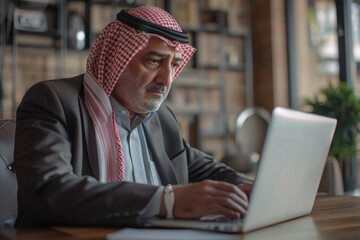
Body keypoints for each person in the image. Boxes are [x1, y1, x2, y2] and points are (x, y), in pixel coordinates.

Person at [13, 6, 253, 228]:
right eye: (154, 61)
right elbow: (49, 191)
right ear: (117, 58)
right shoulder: (53, 101)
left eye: (174, 65)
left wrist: (245, 188)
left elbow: (200, 167)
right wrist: (166, 202)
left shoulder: (162, 119)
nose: (167, 80)